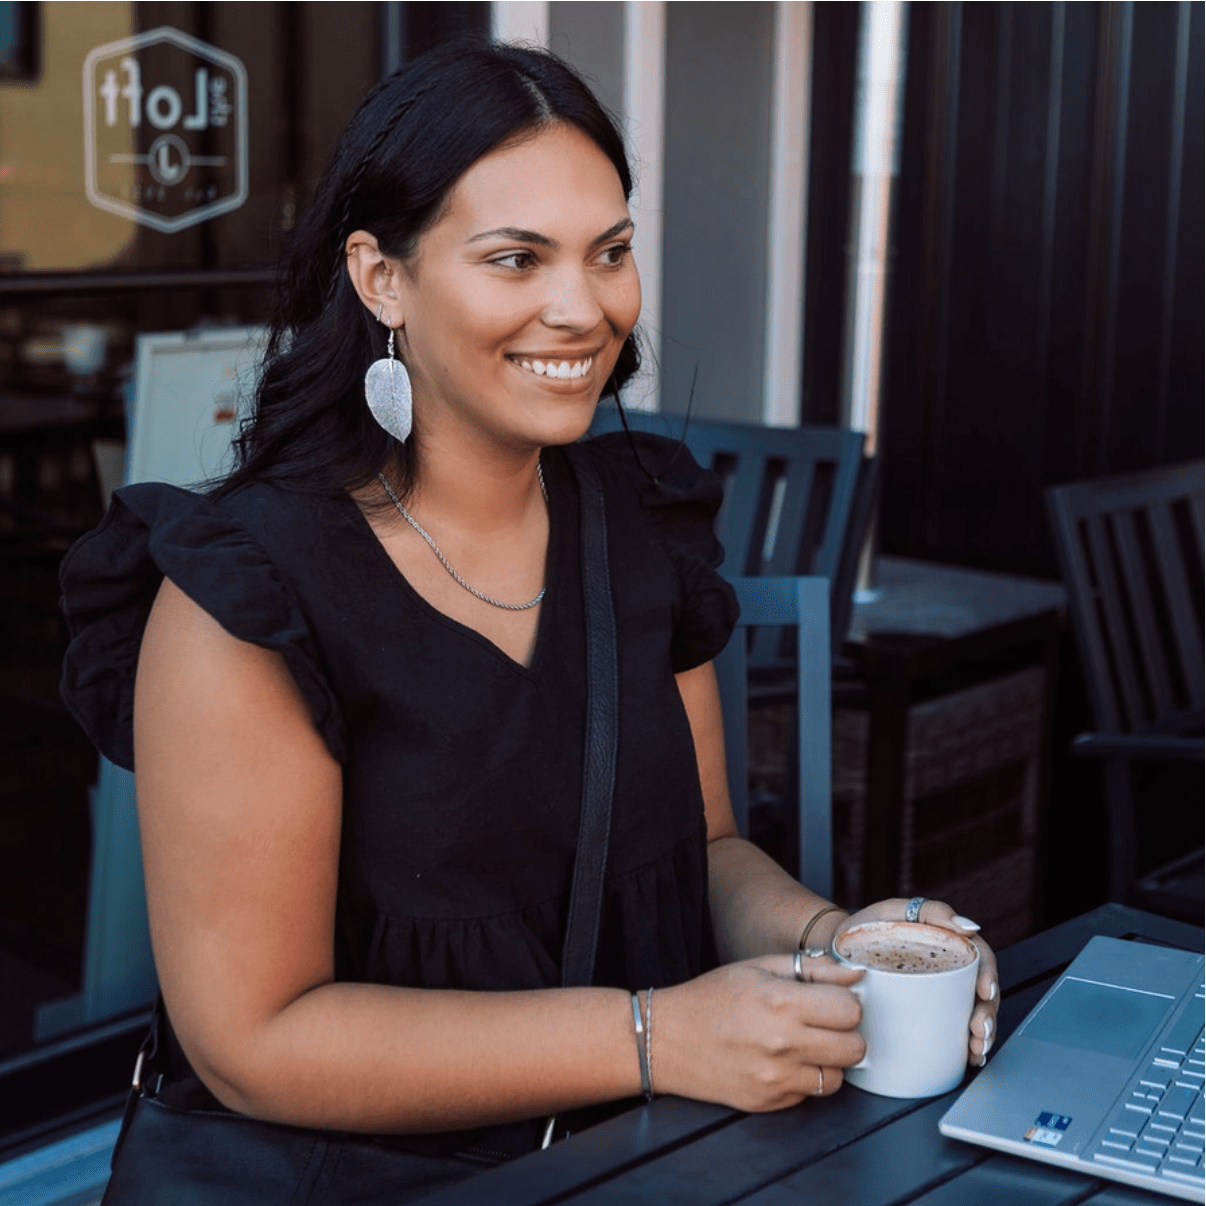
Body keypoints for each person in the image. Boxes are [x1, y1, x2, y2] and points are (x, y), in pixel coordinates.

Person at [59, 41, 999, 1204]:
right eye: (516, 258)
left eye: (610, 251)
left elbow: (704, 852)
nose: (583, 308)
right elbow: (255, 1041)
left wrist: (833, 944)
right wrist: (657, 1038)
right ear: (381, 278)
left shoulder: (641, 524)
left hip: (648, 1164)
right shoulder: (251, 593)